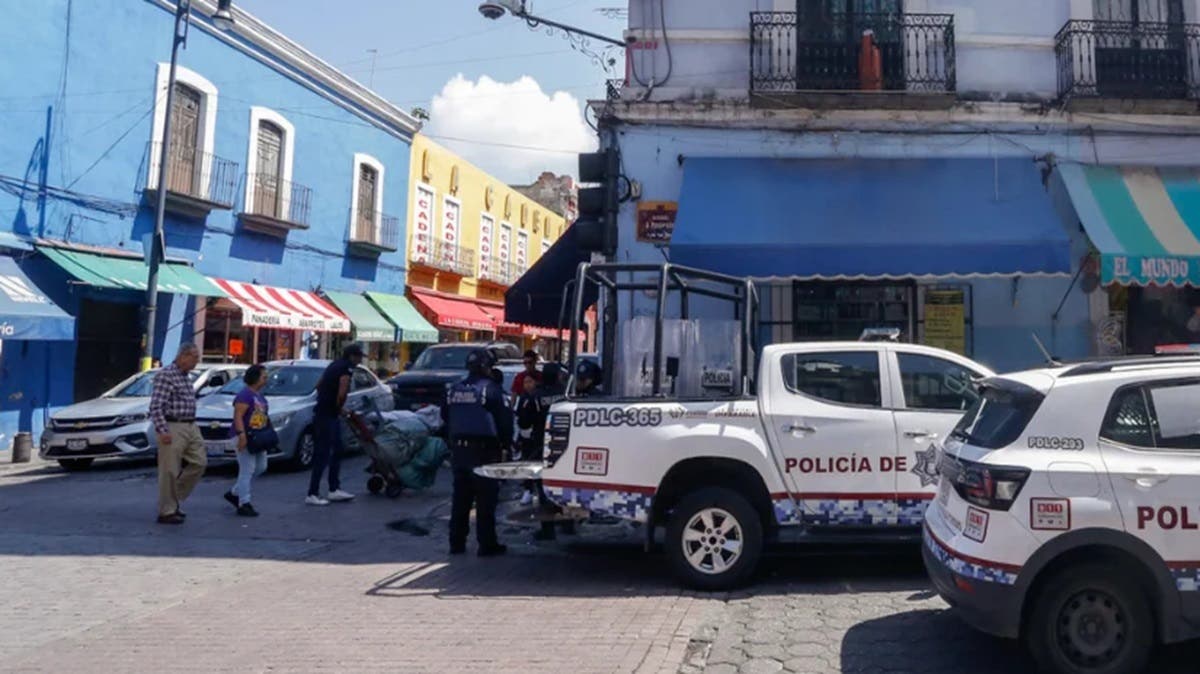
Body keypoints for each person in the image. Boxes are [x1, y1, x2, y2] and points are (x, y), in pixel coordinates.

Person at [444, 348, 513, 557]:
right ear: (486, 367)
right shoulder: (490, 389)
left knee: (460, 499)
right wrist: (506, 445)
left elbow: (445, 416)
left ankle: (456, 543)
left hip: (459, 450)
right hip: (484, 451)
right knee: (486, 500)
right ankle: (487, 544)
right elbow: (504, 421)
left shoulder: (454, 389)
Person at [149, 343, 206, 525]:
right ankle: (167, 510)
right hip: (173, 425)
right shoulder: (167, 375)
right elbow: (156, 406)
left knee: (200, 462)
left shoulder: (186, 377)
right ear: (183, 356)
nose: (196, 362)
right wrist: (163, 430)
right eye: (194, 357)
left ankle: (174, 499)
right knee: (170, 470)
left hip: (190, 425)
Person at [307, 344, 363, 506]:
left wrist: (326, 400)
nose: (359, 361)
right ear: (352, 356)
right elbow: (342, 392)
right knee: (323, 453)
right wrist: (339, 408)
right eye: (358, 357)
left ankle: (334, 488)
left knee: (337, 449)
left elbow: (319, 385)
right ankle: (313, 492)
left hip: (324, 412)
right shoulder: (346, 370)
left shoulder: (334, 365)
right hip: (328, 415)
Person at [224, 365, 271, 517]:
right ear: (255, 378)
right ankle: (244, 502)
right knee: (247, 469)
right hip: (245, 435)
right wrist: (241, 435)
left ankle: (235, 492)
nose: (266, 379)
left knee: (261, 466)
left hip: (258, 436)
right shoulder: (245, 395)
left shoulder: (259, 395)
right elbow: (238, 416)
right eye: (264, 376)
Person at [514, 374, 546, 506]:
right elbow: (519, 417)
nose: (527, 384)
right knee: (527, 463)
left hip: (536, 436)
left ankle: (539, 490)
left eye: (530, 381)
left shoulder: (538, 397)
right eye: (525, 382)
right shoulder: (523, 398)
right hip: (524, 436)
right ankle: (528, 490)